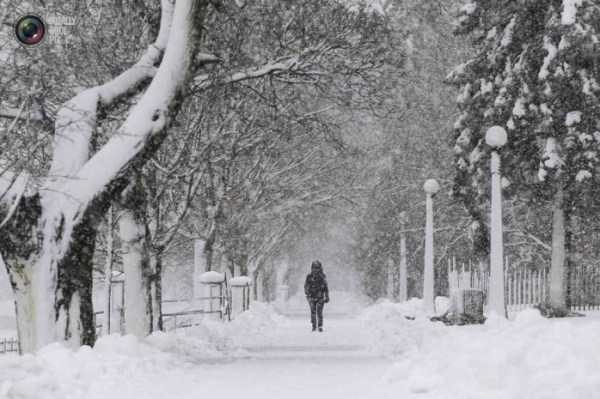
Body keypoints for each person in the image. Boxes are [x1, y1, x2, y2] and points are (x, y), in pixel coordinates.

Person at [304, 260, 329, 332]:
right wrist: (308, 294)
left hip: (320, 296)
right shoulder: (309, 276)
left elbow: (325, 287)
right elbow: (306, 286)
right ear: (311, 269)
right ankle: (314, 326)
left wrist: (326, 296)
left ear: (320, 268)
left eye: (317, 268)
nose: (315, 270)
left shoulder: (323, 276)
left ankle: (320, 326)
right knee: (313, 312)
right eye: (314, 268)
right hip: (311, 297)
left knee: (319, 312)